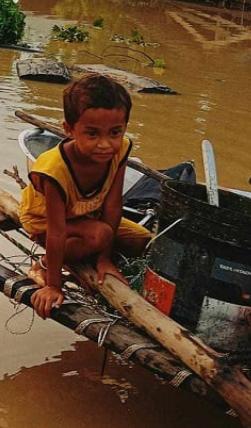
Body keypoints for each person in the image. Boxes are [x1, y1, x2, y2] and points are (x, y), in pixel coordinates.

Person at [20, 74, 153, 318]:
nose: (105, 144)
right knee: (101, 234)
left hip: (85, 213)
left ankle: (91, 253)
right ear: (69, 130)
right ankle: (44, 265)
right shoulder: (53, 169)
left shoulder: (121, 149)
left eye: (115, 132)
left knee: (143, 241)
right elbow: (57, 230)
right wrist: (53, 285)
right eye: (92, 134)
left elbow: (113, 203)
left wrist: (104, 260)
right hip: (44, 221)